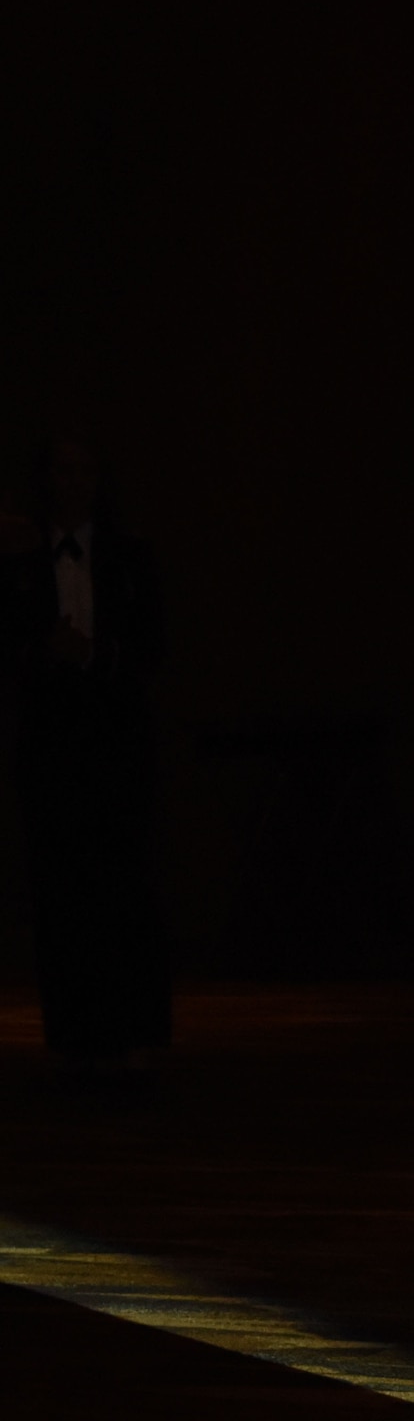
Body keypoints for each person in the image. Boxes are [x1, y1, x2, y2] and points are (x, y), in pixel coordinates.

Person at [0, 435, 170, 1070]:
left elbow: (154, 645)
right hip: (48, 744)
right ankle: (70, 1034)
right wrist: (41, 655)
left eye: (84, 471)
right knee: (59, 889)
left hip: (116, 741)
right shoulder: (19, 558)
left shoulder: (127, 556)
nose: (73, 483)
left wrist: (95, 657)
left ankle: (126, 1030)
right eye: (61, 470)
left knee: (121, 884)